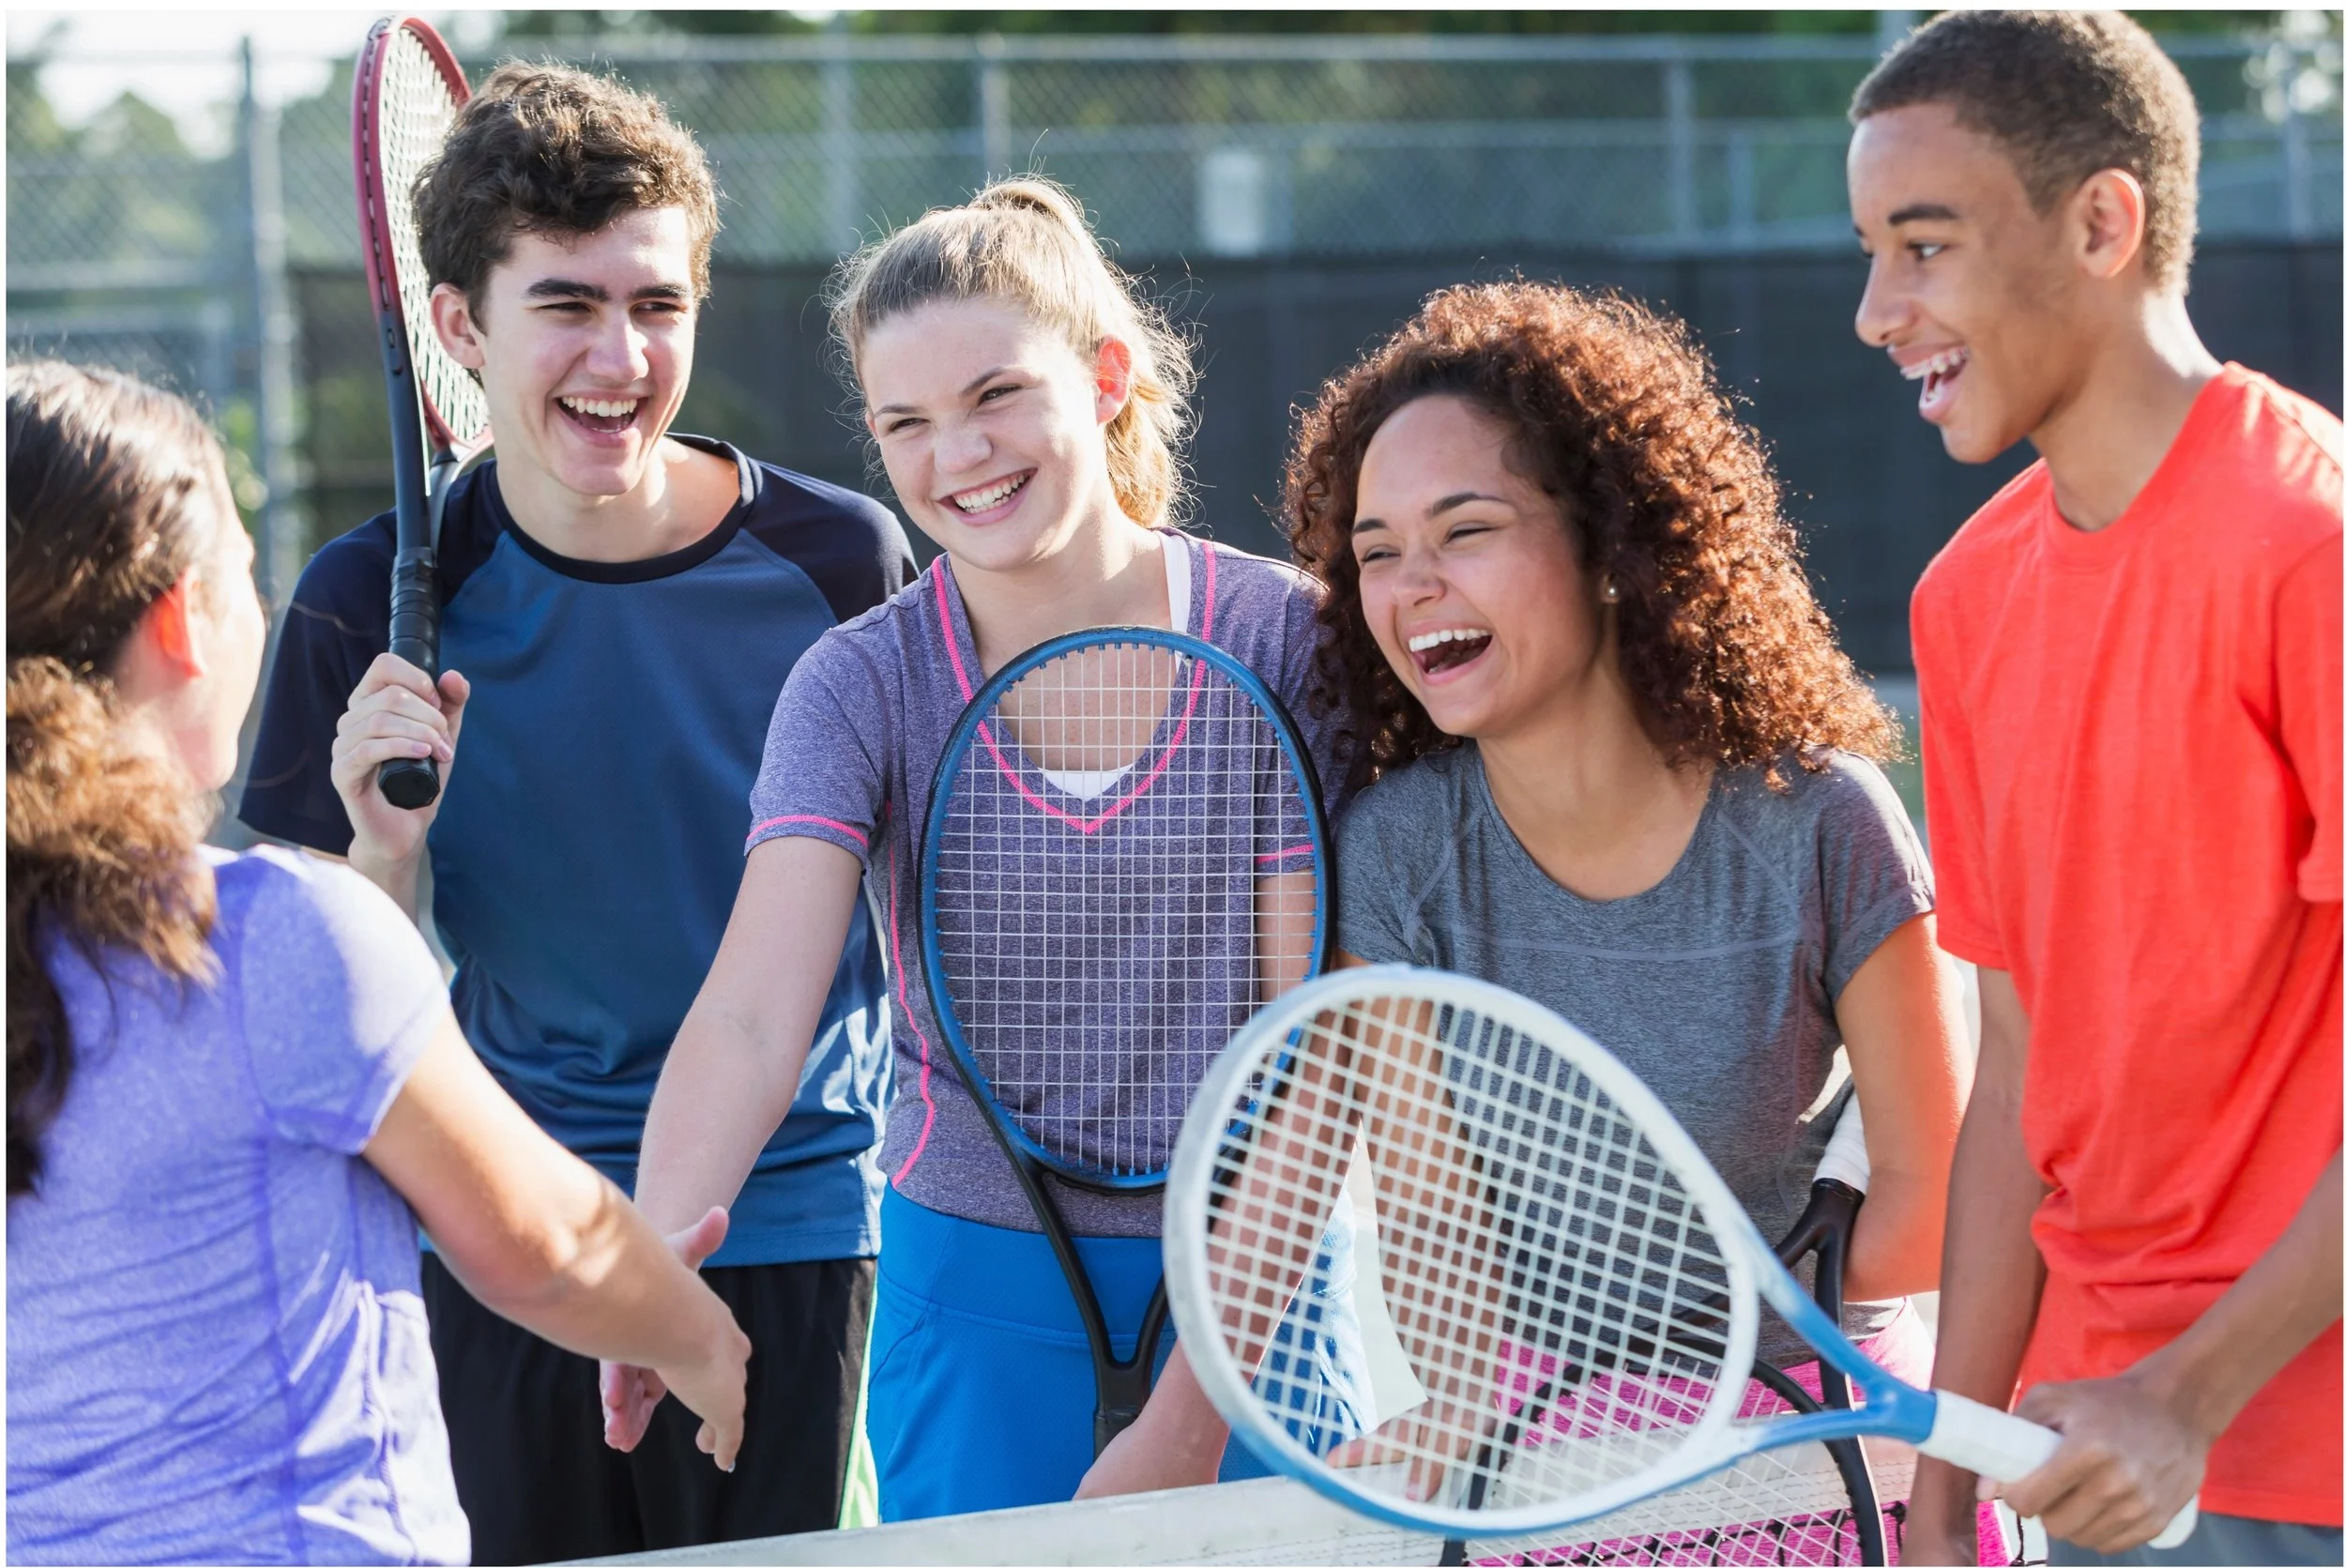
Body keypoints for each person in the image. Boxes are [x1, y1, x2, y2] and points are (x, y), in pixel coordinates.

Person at [236, 66, 911, 1564]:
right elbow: (306, 1003)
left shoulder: (842, 562)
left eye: (657, 304)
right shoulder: (365, 604)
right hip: (504, 1232)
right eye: (567, 305)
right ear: (460, 328)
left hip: (788, 1222)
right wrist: (382, 850)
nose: (622, 355)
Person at [617, 175, 1351, 1522]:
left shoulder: (1285, 641)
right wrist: (653, 1257)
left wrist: (1204, 1385)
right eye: (907, 423)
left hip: (1267, 1273)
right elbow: (752, 1013)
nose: (958, 455)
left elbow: (1319, 1048)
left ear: (1109, 375)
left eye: (996, 395)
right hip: (974, 1283)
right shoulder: (858, 683)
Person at [6, 360, 750, 1566]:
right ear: (183, 622)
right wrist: (700, 1341)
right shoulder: (272, 941)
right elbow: (548, 1246)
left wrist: (382, 859)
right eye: (244, 570)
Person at [1281, 279, 1983, 1545]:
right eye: (1377, 551)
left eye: (1467, 527)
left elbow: (1934, 1195)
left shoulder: (1825, 819)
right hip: (1559, 1460)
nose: (1413, 582)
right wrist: (1543, 1416)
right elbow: (1436, 1235)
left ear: (1612, 542)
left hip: (1823, 1444)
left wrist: (1738, 1374)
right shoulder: (1392, 856)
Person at [1848, 13, 2341, 1566]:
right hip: (2083, 1463)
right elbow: (2016, 1075)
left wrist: (2188, 1396)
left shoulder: (2309, 546)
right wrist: (1942, 1484)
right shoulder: (1963, 598)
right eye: (1869, 252)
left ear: (2103, 222)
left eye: (1922, 245)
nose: (1877, 310)